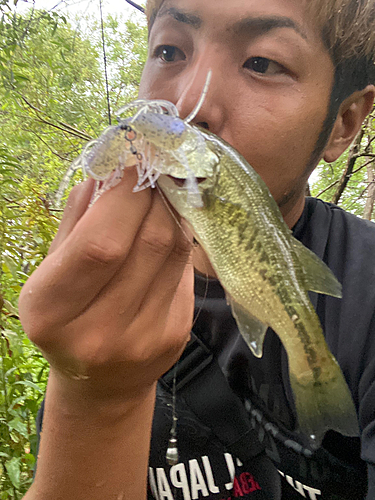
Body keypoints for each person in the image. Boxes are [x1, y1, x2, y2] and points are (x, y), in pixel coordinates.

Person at [19, 0, 375, 499]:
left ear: (344, 121)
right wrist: (93, 400)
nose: (189, 105)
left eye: (262, 63)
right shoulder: (103, 292)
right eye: (169, 50)